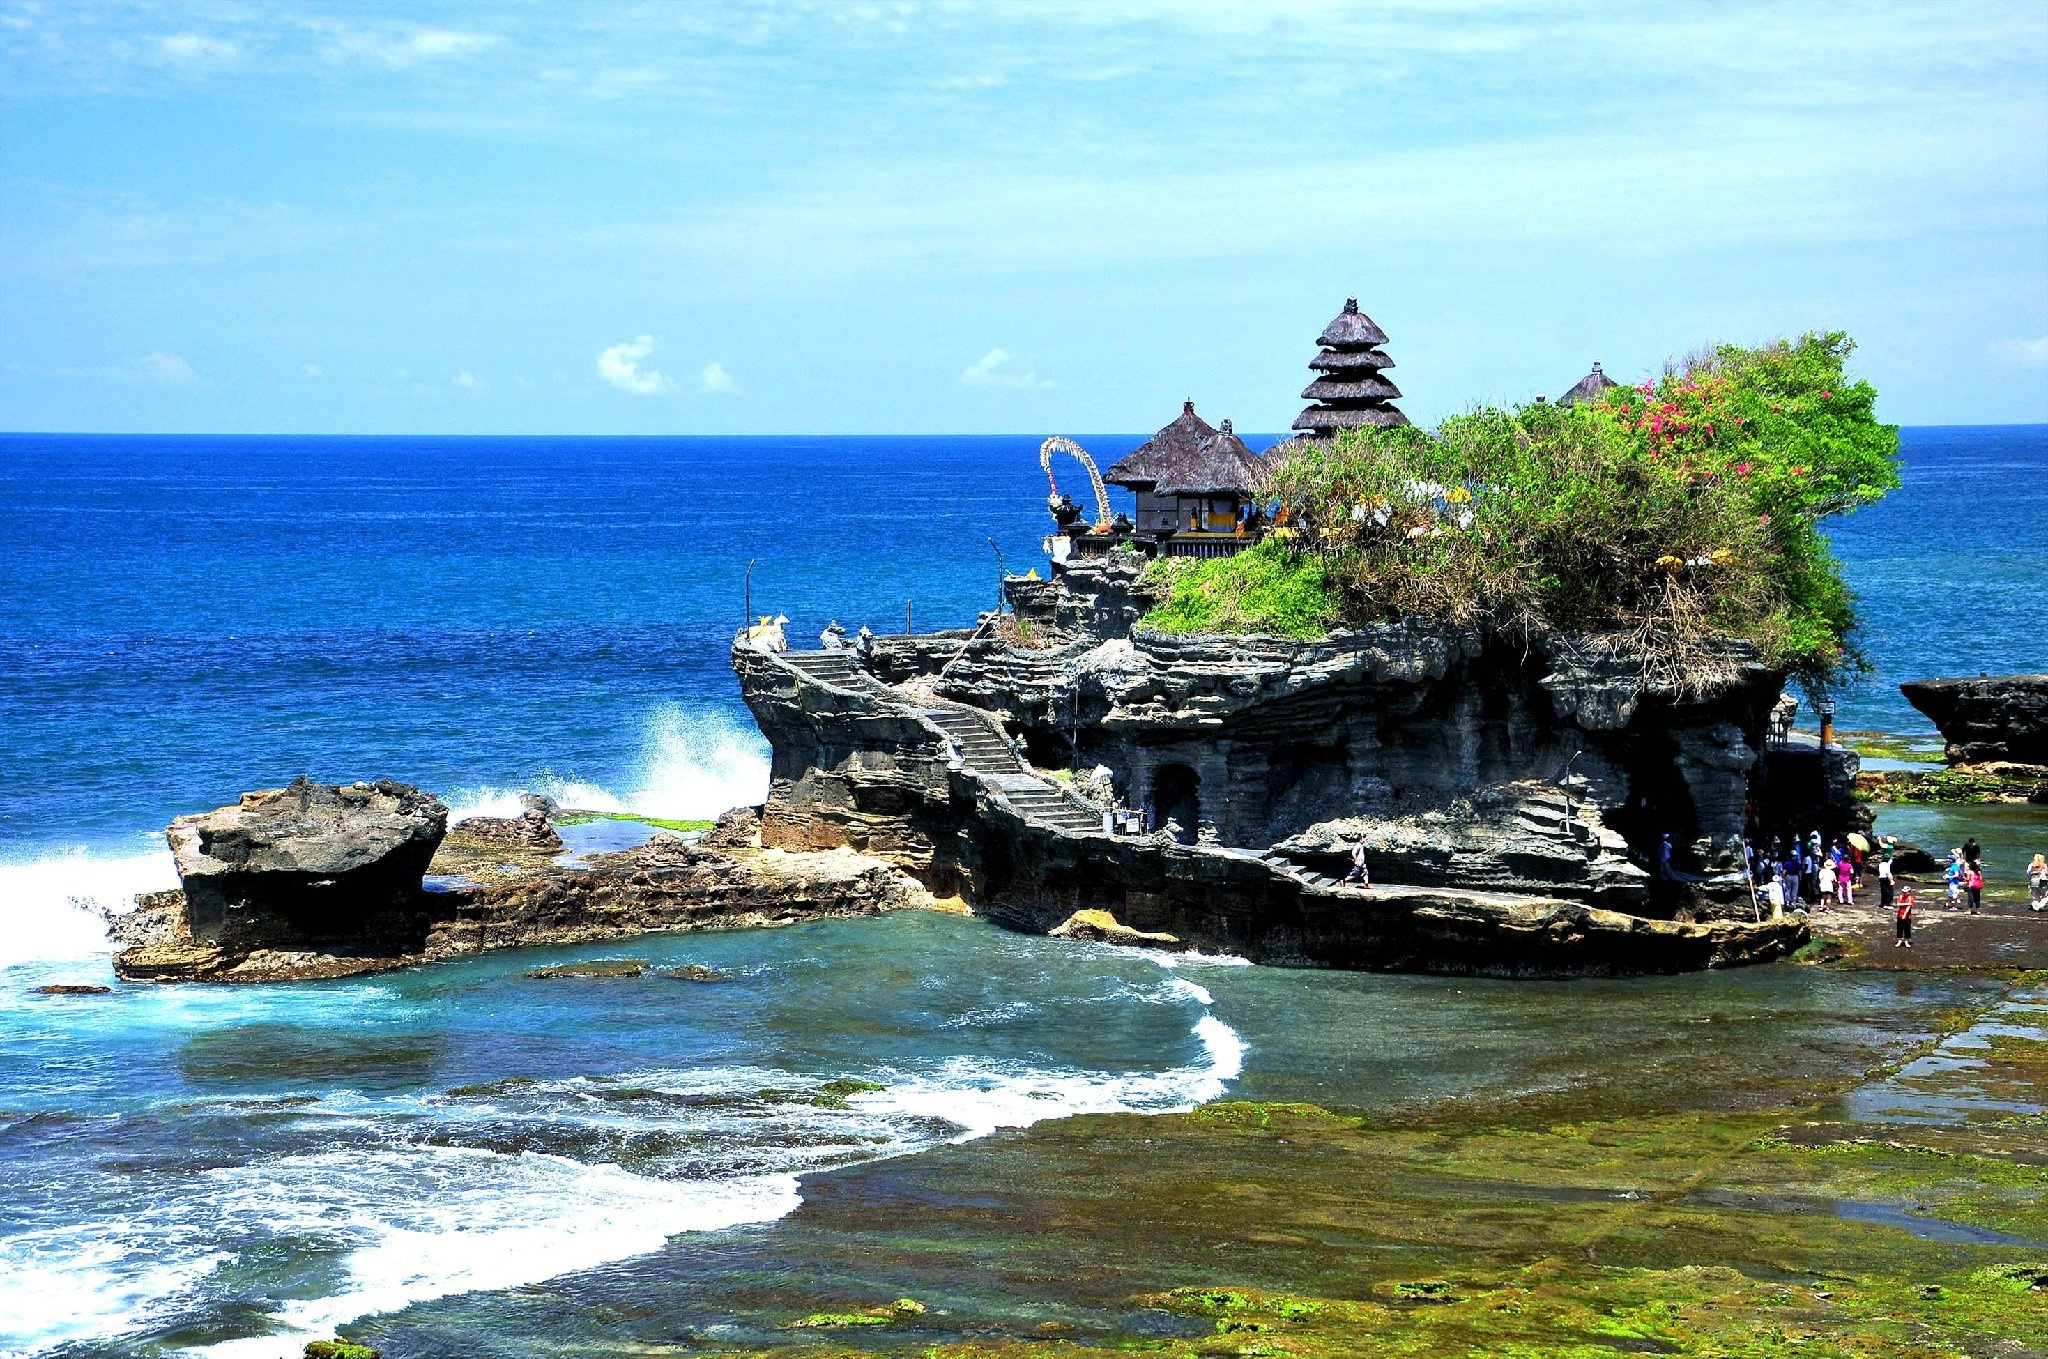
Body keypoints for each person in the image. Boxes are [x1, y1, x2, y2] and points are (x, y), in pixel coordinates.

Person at [1894, 883, 1916, 949]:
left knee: (1907, 928)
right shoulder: (1901, 896)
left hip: (1907, 916)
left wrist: (1904, 914)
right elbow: (1898, 903)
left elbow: (1909, 907)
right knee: (1899, 928)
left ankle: (1906, 940)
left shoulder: (1910, 897)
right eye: (1903, 892)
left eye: (1905, 892)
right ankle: (1899, 940)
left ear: (1909, 892)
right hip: (1899, 914)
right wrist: (1906, 903)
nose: (1904, 893)